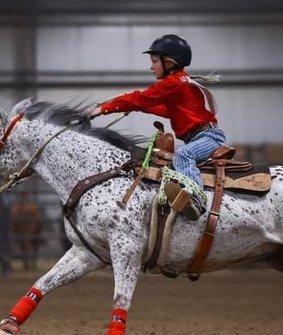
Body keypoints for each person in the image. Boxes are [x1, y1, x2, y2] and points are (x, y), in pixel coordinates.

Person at [89, 34, 226, 220]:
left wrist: (104, 108)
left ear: (168, 63)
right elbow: (165, 109)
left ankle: (196, 200)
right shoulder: (181, 82)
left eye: (154, 61)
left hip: (208, 138)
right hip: (202, 136)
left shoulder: (174, 83)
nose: (151, 66)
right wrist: (137, 107)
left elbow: (141, 97)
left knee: (183, 155)